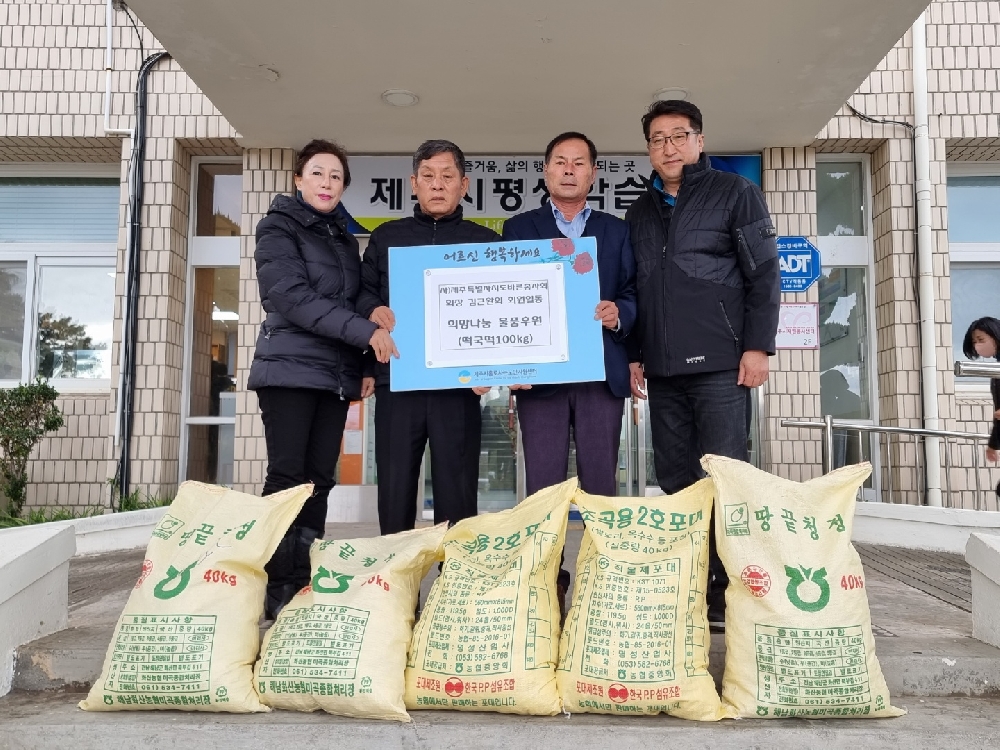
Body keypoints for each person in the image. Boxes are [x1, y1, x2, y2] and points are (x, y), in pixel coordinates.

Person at [625, 100, 780, 630]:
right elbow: (638, 288)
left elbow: (764, 275)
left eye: (678, 135)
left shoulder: (736, 193)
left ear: (699, 139)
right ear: (648, 148)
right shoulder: (640, 210)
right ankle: (689, 582)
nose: (668, 147)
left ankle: (726, 589)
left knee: (723, 478)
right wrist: (636, 356)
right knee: (675, 478)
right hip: (663, 370)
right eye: (657, 139)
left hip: (720, 364)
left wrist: (757, 347)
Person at [247, 139, 398, 619]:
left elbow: (352, 304)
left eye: (336, 176)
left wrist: (367, 360)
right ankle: (277, 582)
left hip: (334, 375)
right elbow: (289, 295)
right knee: (288, 477)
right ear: (298, 179)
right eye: (318, 173)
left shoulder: (342, 238)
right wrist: (366, 332)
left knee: (320, 480)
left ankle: (304, 574)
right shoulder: (277, 228)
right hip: (289, 371)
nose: (327, 183)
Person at [502, 131, 637, 616]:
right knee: (543, 488)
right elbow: (507, 299)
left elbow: (634, 292)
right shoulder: (519, 229)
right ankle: (546, 584)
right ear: (546, 171)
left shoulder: (616, 231)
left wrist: (618, 312)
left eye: (579, 163)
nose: (568, 169)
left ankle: (603, 585)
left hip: (601, 375)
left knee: (601, 485)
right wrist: (510, 362)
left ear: (592, 174)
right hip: (542, 381)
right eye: (560, 161)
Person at [356, 140, 500, 535]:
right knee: (396, 482)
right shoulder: (386, 237)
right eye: (429, 177)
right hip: (398, 377)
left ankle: (453, 577)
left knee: (457, 484)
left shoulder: (485, 244)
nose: (438, 185)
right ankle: (398, 583)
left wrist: (494, 365)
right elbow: (363, 292)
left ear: (464, 185)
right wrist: (372, 312)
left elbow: (501, 312)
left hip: (459, 385)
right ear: (413, 184)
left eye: (448, 177)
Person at [962, 317, 1000, 477]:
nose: (977, 345)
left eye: (981, 339)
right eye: (974, 342)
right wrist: (993, 444)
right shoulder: (995, 371)